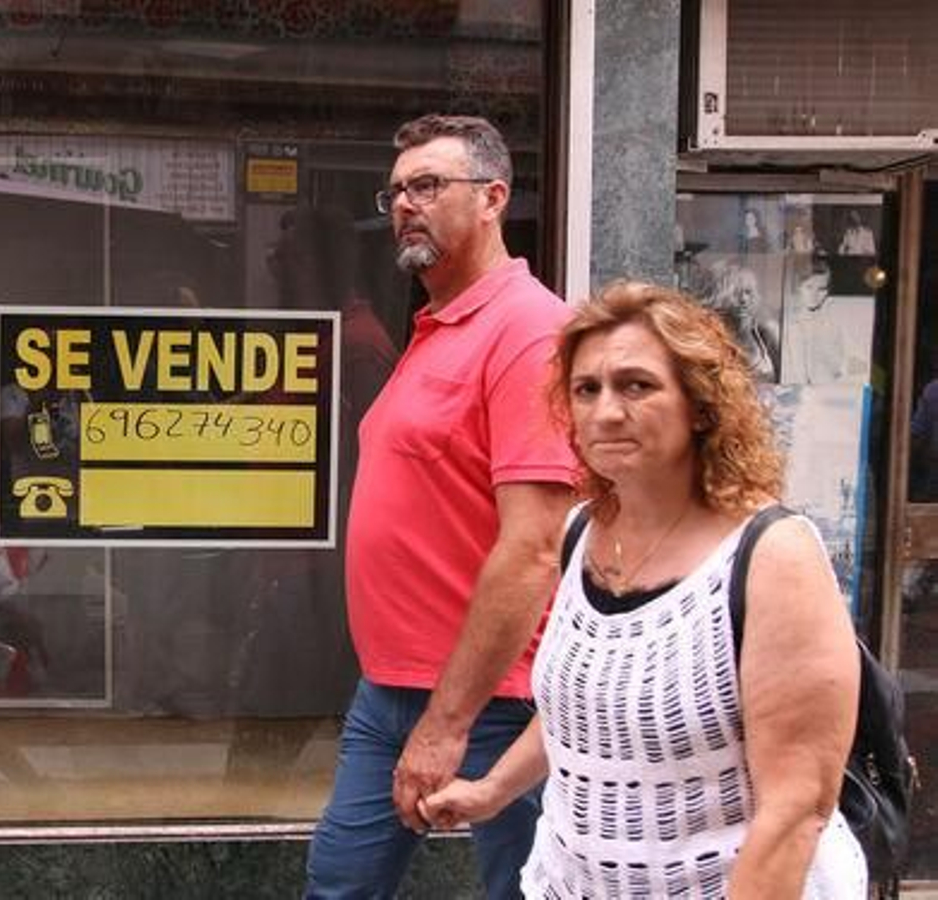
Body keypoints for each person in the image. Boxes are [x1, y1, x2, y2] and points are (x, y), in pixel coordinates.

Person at [422, 282, 866, 897]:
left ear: (701, 405)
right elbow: (586, 707)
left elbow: (795, 811)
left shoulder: (771, 557)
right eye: (587, 389)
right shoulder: (582, 531)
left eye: (637, 386)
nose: (606, 411)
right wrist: (494, 790)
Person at [304, 114, 576, 899]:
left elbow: (534, 548)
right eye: (395, 191)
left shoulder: (529, 331)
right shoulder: (435, 325)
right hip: (390, 687)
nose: (404, 204)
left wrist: (448, 721)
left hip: (494, 701)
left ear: (493, 198)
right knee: (337, 886)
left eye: (428, 185)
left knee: (528, 892)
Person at [780, 254, 848, 385]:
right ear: (799, 288)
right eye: (809, 287)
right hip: (806, 391)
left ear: (828, 292)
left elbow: (839, 368)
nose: (814, 295)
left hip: (831, 387)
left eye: (821, 289)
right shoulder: (793, 326)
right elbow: (800, 375)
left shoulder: (833, 326)